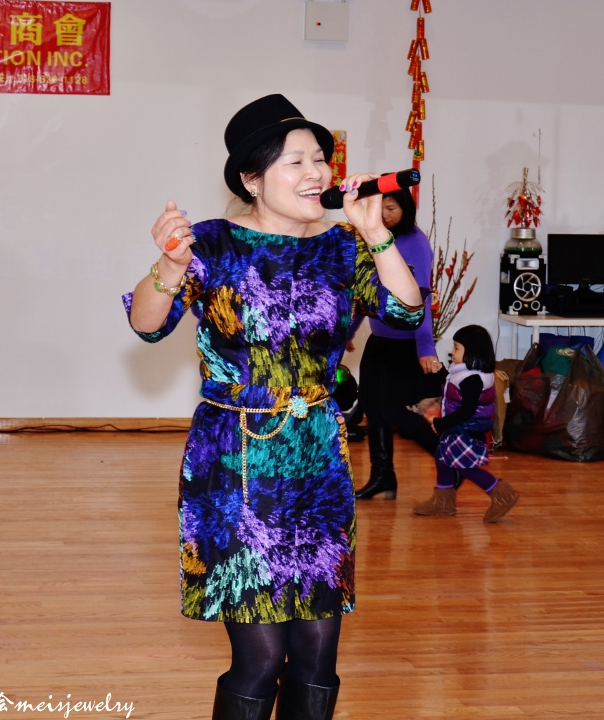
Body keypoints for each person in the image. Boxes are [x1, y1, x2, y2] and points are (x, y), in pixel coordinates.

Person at [123, 94, 425, 720]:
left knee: (318, 652)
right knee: (259, 657)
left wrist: (377, 235)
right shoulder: (213, 243)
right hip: (235, 463)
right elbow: (147, 324)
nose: (315, 173)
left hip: (317, 459)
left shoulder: (343, 246)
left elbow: (404, 311)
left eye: (320, 159)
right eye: (296, 161)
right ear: (252, 179)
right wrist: (170, 265)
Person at [353, 187, 440, 500]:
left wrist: (426, 348)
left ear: (405, 208)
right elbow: (366, 294)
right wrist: (348, 334)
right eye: (381, 209)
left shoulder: (415, 243)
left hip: (405, 344)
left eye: (391, 208)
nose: (385, 215)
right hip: (378, 341)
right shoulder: (374, 239)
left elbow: (421, 299)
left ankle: (449, 461)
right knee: (372, 408)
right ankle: (383, 477)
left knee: (393, 411)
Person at [412, 324, 520, 523]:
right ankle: (443, 502)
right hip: (459, 428)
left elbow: (468, 410)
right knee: (442, 458)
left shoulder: (474, 379)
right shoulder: (466, 372)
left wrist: (443, 423)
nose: (452, 352)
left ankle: (502, 494)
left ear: (472, 352)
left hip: (466, 430)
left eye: (456, 348)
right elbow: (453, 389)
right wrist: (440, 371)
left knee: (464, 467)